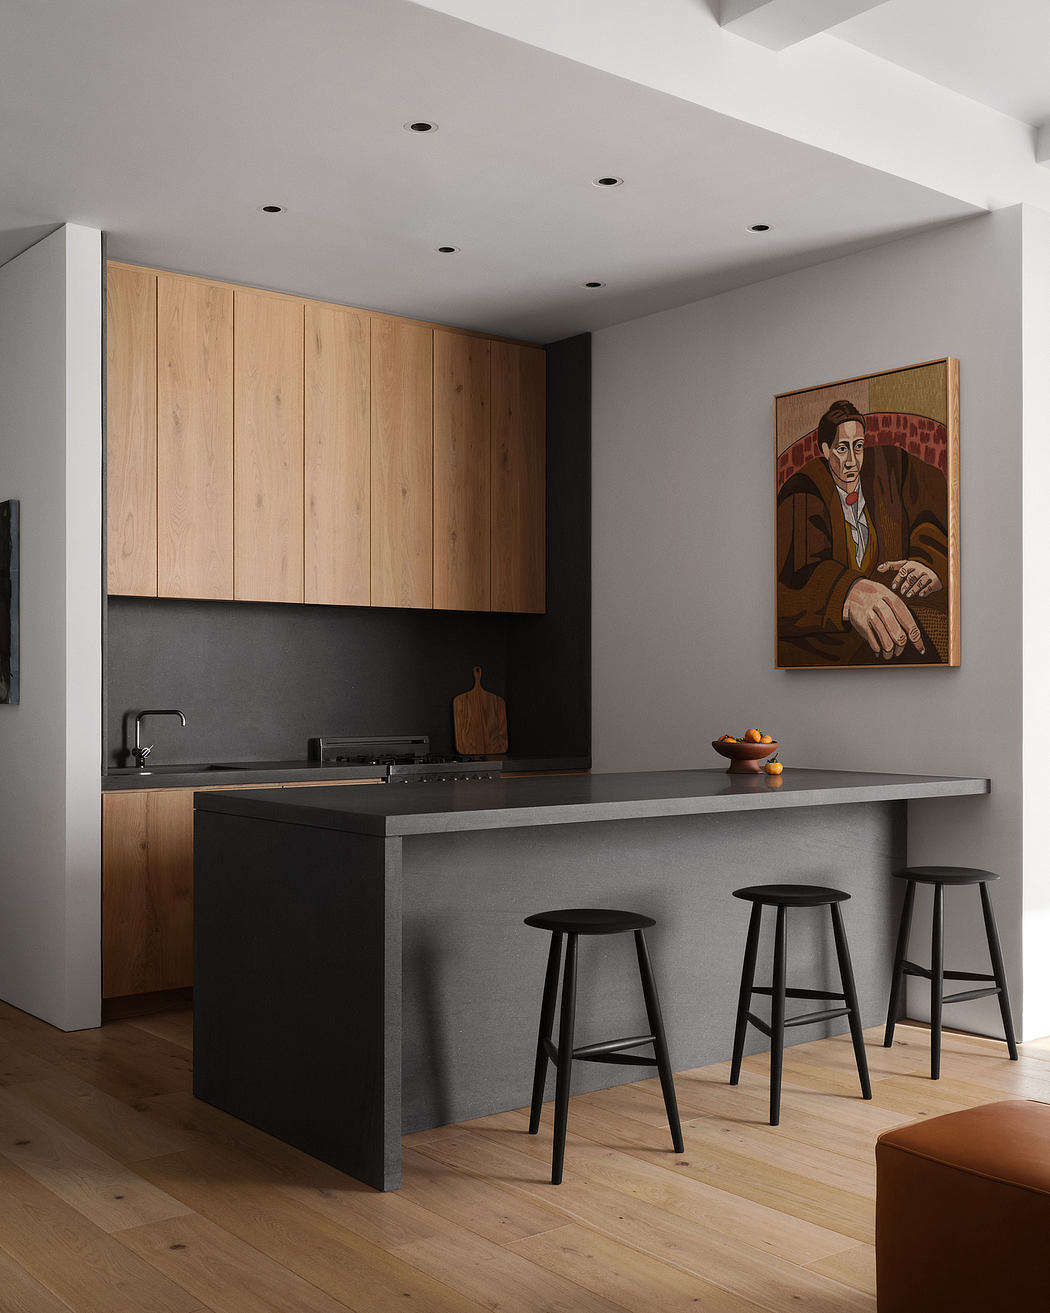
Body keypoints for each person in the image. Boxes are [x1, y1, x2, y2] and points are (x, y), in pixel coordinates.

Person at [776, 399, 949, 666]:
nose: (851, 461)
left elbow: (939, 506)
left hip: (902, 611)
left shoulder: (891, 467)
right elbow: (795, 577)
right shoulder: (803, 491)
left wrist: (929, 562)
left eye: (858, 447)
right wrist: (847, 591)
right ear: (825, 449)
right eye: (841, 449)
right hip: (836, 637)